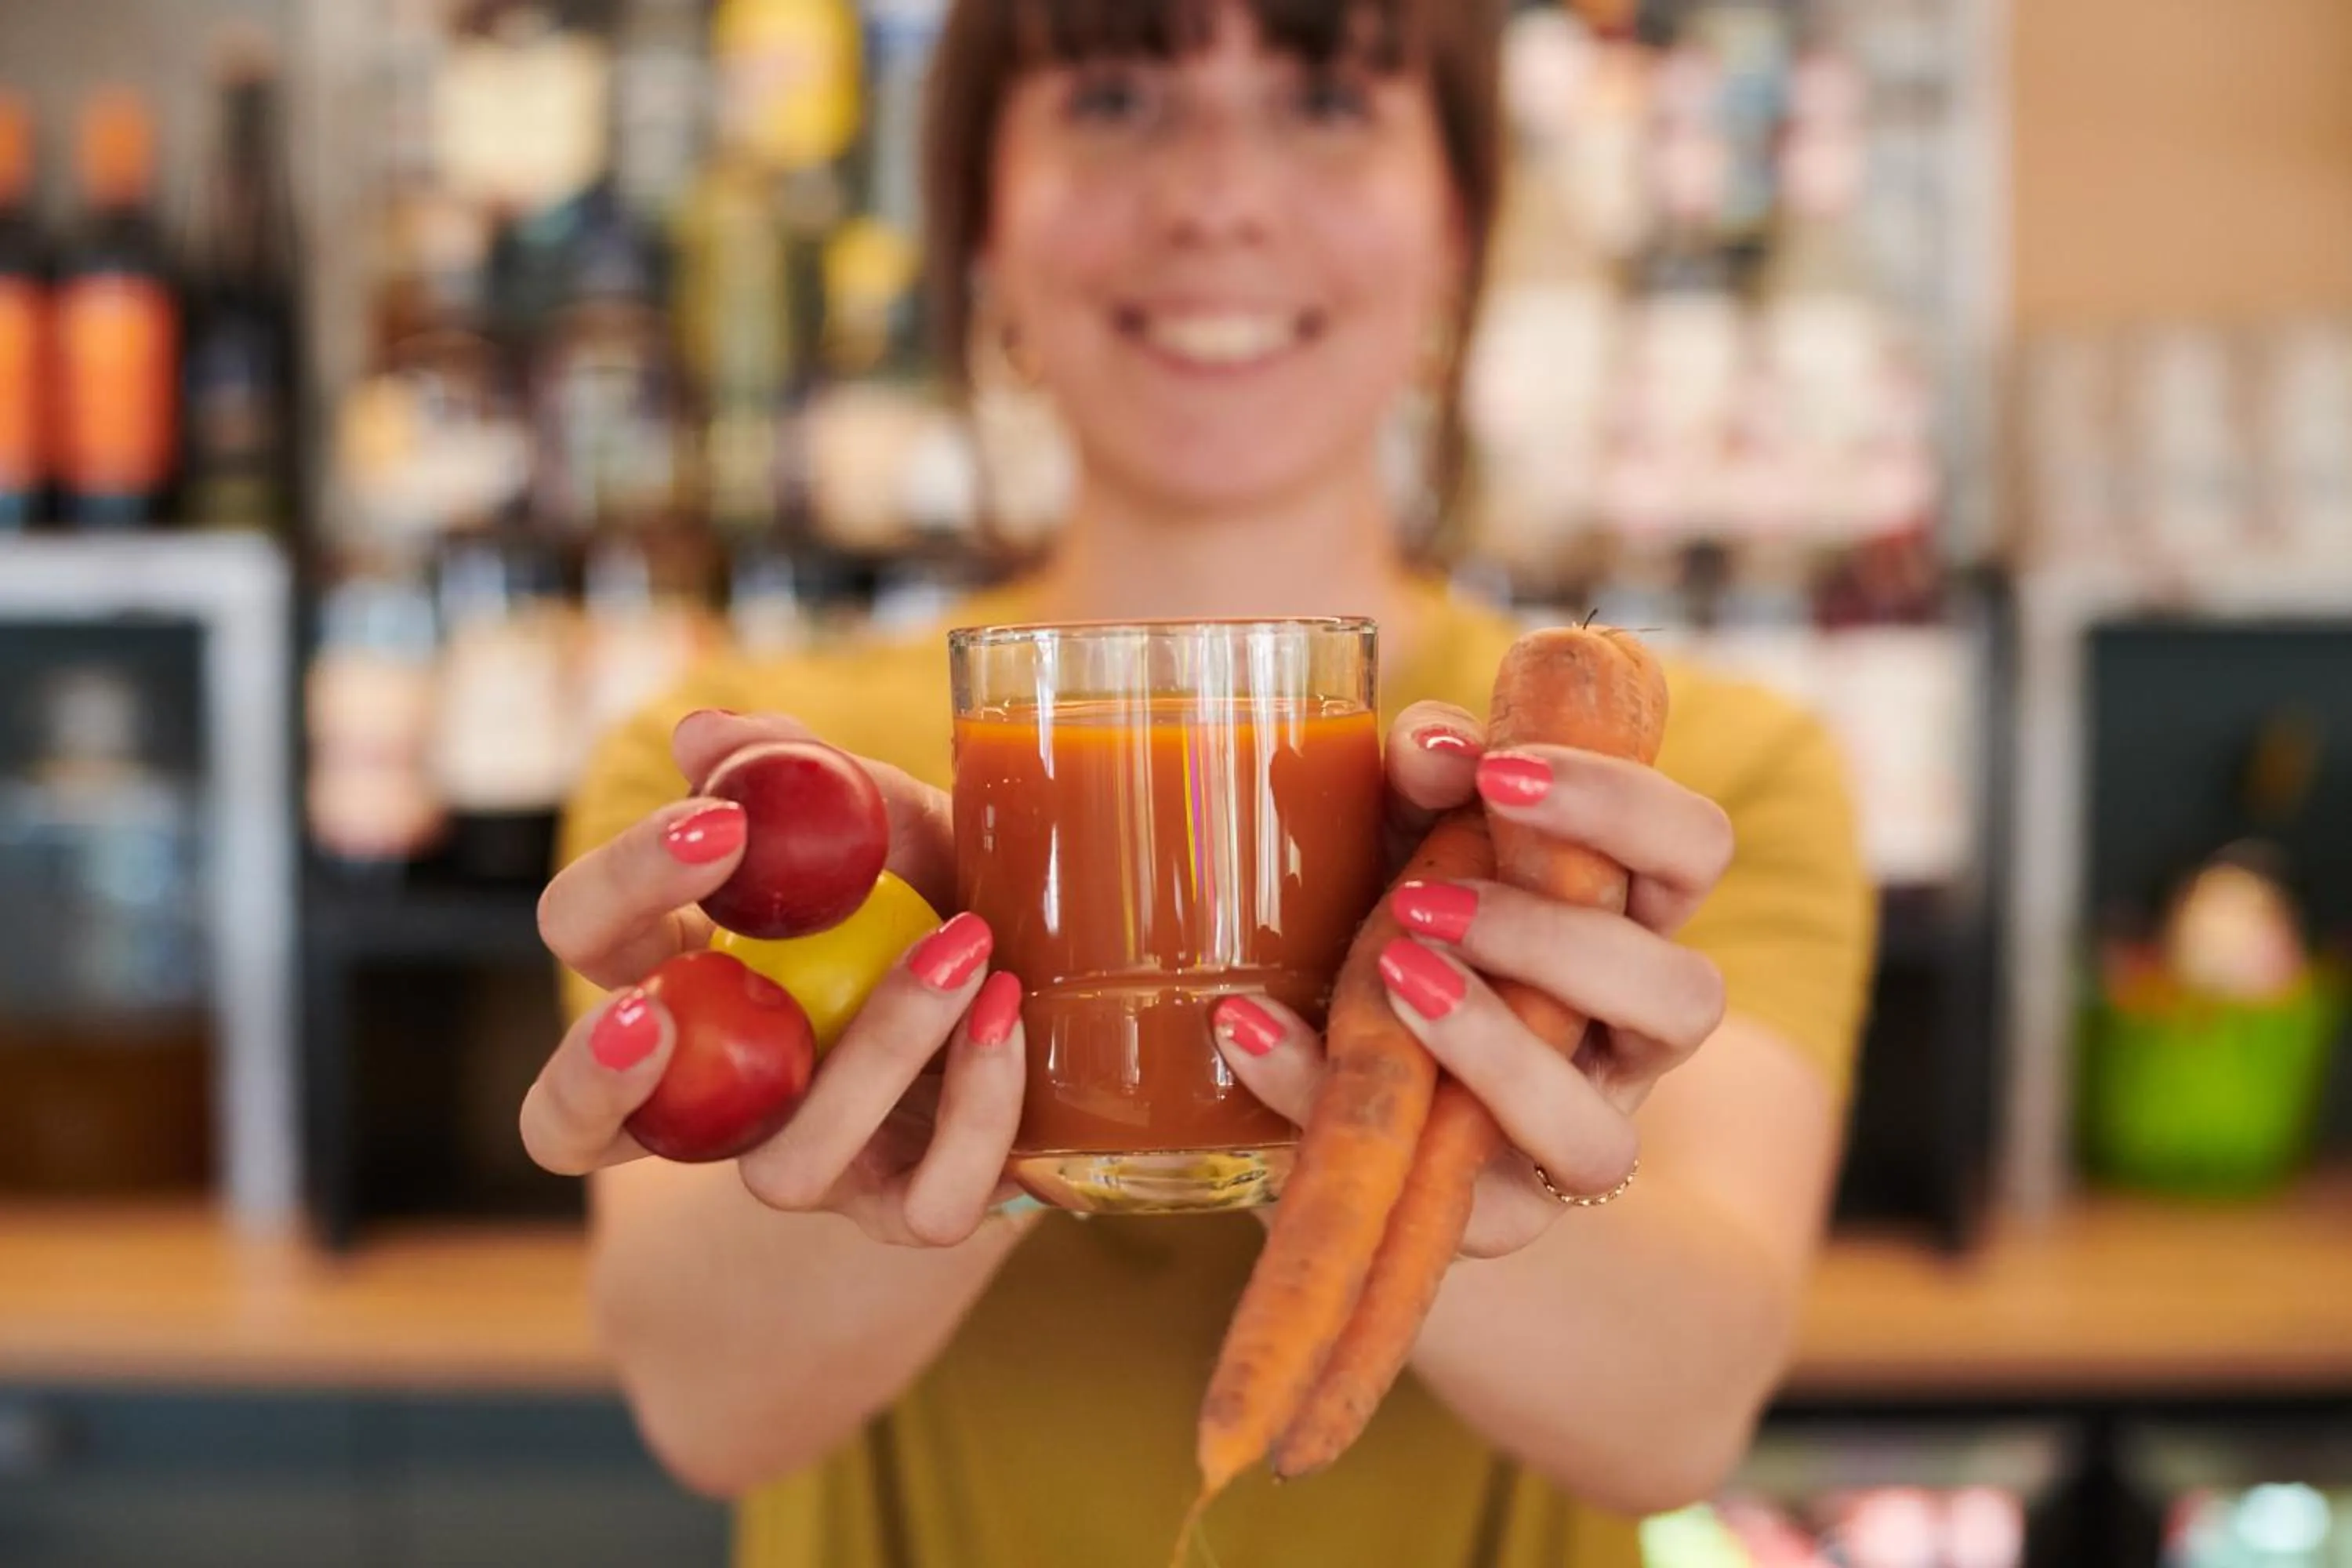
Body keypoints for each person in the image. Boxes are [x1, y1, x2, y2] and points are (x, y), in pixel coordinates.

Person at [527, 0, 1878, 1563]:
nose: (1218, 196)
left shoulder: (1656, 781)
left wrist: (1430, 1140)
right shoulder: (757, 781)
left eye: (1323, 100)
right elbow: (708, 1404)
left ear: (1459, 218)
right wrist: (940, 1156)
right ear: (977, 214)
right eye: (1112, 98)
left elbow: (1682, 1411)